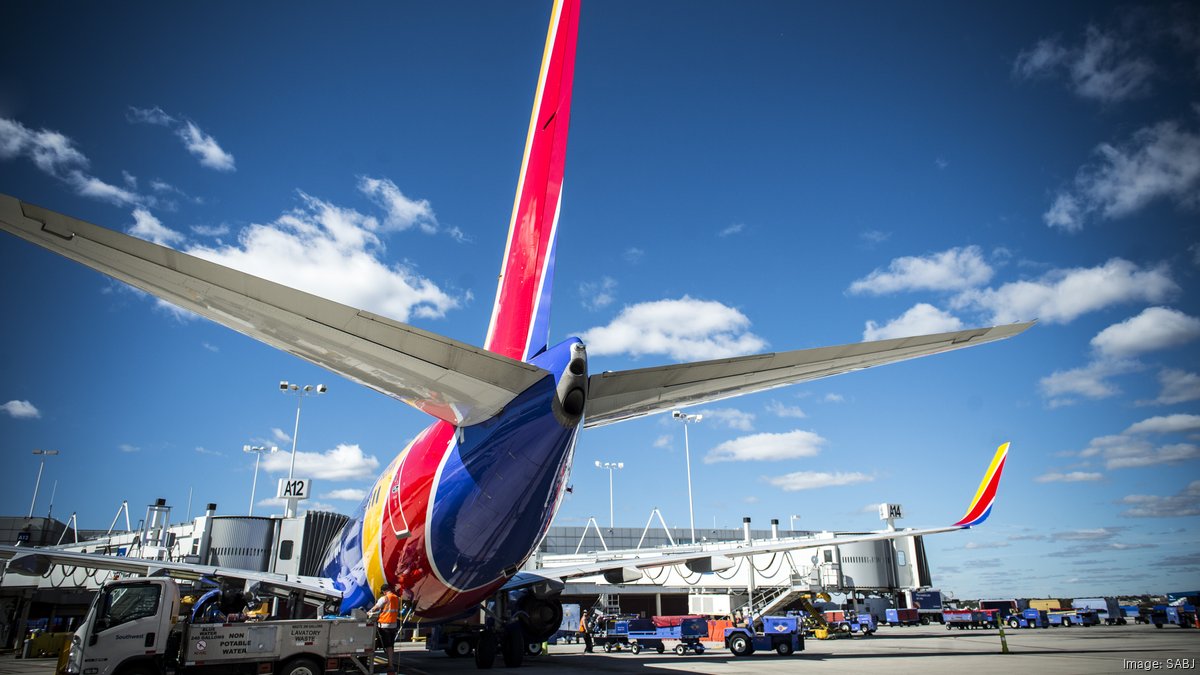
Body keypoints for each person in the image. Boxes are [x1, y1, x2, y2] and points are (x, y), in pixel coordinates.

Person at [368, 584, 400, 675]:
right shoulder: (396, 598)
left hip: (384, 625)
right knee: (390, 645)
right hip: (393, 625)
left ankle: (387, 664)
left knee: (378, 643)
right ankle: (390, 664)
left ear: (384, 591)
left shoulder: (384, 598)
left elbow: (376, 608)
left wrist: (368, 612)